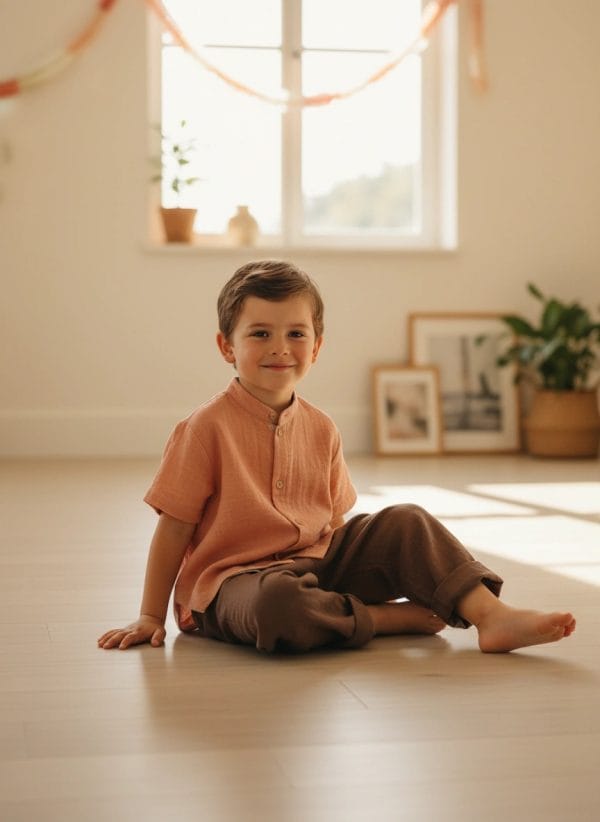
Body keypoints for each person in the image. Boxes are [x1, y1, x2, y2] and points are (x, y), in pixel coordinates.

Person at [98, 260, 576, 655]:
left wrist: (352, 568)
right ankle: (383, 620)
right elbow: (174, 528)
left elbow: (336, 524)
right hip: (233, 586)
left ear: (317, 347)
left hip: (315, 562)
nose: (280, 348)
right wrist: (149, 616)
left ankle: (491, 616)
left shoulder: (323, 427)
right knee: (279, 605)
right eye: (260, 334)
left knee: (407, 520)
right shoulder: (203, 429)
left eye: (296, 334)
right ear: (227, 347)